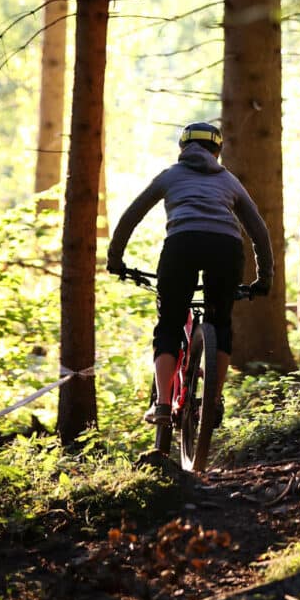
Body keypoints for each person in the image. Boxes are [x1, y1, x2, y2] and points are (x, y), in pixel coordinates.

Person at [106, 120, 273, 429]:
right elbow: (258, 231)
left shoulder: (170, 176)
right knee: (220, 322)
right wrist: (264, 279)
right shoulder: (230, 181)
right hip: (226, 247)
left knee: (169, 324)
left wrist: (115, 259)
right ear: (217, 151)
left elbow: (131, 215)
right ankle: (212, 401)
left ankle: (164, 405)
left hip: (181, 245)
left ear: (183, 148)